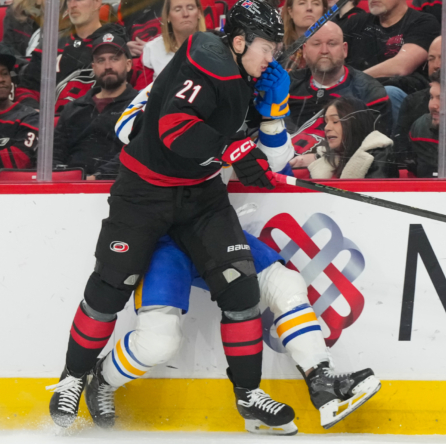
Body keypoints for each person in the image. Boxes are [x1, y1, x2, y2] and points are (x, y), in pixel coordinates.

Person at [46, 0, 299, 434]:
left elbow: (273, 160)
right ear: (239, 42)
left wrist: (271, 117)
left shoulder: (246, 73)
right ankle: (73, 378)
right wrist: (232, 149)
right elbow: (174, 129)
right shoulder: (207, 62)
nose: (271, 59)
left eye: (276, 50)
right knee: (110, 287)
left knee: (241, 290)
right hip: (144, 194)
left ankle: (248, 394)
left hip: (201, 197)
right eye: (267, 49)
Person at [287, 21, 392, 156]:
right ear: (305, 50)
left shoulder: (368, 92)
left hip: (338, 165)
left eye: (332, 44)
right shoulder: (286, 85)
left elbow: (374, 150)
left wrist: (321, 158)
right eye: (316, 44)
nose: (324, 51)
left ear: (344, 50)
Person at [17, 0, 126, 114]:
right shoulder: (51, 43)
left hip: (94, 120)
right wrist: (34, 111)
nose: (72, 5)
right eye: (69, 0)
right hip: (50, 121)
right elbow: (27, 87)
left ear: (97, 2)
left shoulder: (115, 44)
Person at [53, 33, 138, 179]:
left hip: (118, 184)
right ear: (93, 67)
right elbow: (54, 153)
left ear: (128, 64)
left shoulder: (140, 105)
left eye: (114, 59)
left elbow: (136, 150)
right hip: (70, 186)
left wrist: (97, 178)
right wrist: (61, 178)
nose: (108, 66)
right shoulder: (73, 108)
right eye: (100, 60)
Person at [303, 97, 395, 178]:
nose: (327, 128)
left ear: (355, 123)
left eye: (335, 121)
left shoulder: (379, 154)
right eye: (326, 122)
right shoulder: (323, 156)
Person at [137, 0, 206, 88]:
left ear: (199, 13)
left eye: (190, 8)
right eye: (178, 9)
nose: (185, 14)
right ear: (168, 16)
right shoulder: (152, 50)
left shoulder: (216, 45)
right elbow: (143, 93)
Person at [282, 0, 327, 71]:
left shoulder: (331, 48)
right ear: (290, 11)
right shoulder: (277, 49)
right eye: (302, 3)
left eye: (316, 3)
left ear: (323, 12)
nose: (309, 8)